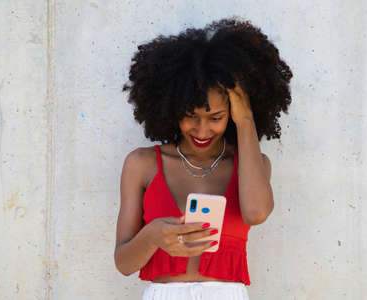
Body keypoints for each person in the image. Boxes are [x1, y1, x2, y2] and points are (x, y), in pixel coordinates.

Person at [114, 17, 293, 300]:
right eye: (190, 116)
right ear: (172, 108)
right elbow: (123, 263)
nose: (201, 129)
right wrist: (153, 236)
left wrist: (245, 119)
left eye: (216, 117)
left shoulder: (252, 165)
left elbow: (256, 213)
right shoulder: (142, 164)